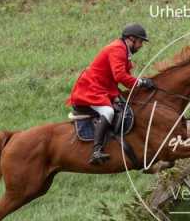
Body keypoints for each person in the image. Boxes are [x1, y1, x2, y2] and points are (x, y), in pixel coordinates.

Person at [67, 23, 156, 164]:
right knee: (108, 112)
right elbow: (119, 76)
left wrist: (140, 84)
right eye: (140, 42)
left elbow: (124, 78)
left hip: (104, 88)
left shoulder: (123, 50)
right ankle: (96, 151)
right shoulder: (117, 49)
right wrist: (141, 83)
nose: (141, 46)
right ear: (131, 39)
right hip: (91, 89)